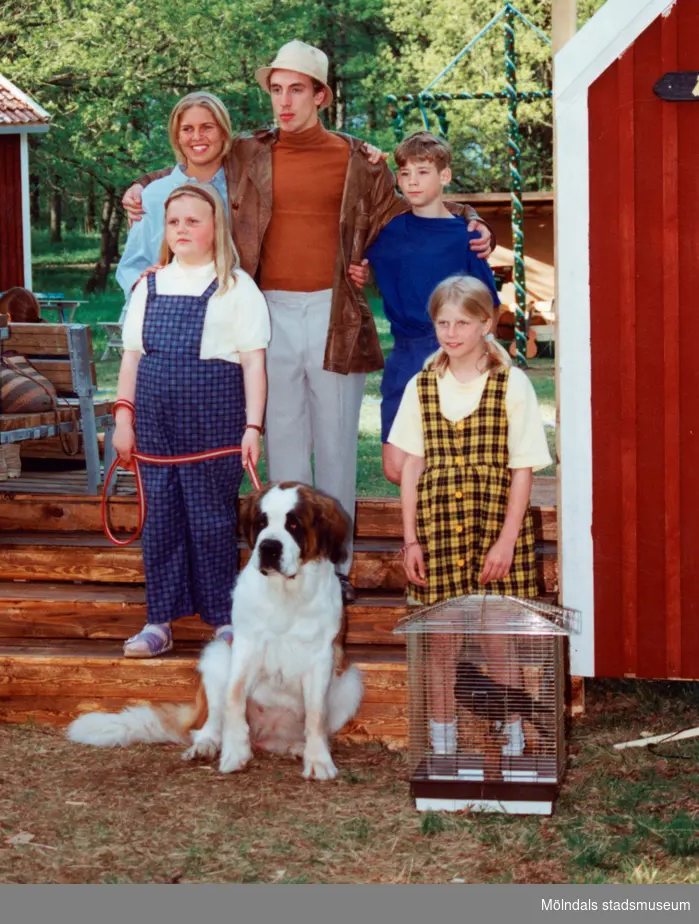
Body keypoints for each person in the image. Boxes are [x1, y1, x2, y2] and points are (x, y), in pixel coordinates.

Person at [122, 40, 493, 603]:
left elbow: (410, 205)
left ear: (321, 94)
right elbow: (197, 158)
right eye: (275, 89)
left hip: (334, 315)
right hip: (265, 312)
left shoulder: (355, 159)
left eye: (297, 89)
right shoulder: (250, 152)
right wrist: (146, 186)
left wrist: (469, 216)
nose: (284, 101)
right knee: (287, 451)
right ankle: (291, 568)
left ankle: (336, 574)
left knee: (338, 448)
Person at [390, 274, 551, 756]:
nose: (452, 332)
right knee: (441, 643)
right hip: (437, 533)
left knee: (498, 639)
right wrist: (410, 539)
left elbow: (522, 470)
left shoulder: (511, 383)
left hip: (493, 529)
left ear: (487, 323)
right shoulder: (422, 385)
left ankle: (513, 734)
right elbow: (411, 466)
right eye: (443, 322)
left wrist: (506, 542)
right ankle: (441, 743)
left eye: (463, 322)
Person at [113, 184, 270, 657]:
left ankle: (225, 619)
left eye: (193, 221)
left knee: (211, 523)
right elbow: (131, 358)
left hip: (215, 423)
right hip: (156, 426)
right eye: (174, 221)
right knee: (160, 520)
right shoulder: (149, 285)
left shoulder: (237, 288)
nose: (182, 229)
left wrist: (252, 427)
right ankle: (158, 620)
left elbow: (254, 364)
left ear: (215, 227)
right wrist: (125, 418)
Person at [350, 131, 500, 487]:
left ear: (444, 176)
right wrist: (365, 272)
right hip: (406, 358)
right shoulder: (387, 232)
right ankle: (414, 538)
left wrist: (476, 358)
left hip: (456, 359)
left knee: (457, 466)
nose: (412, 182)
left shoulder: (466, 236)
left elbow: (491, 308)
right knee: (397, 468)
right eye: (405, 174)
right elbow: (368, 265)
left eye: (423, 172)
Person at [116, 92, 233, 302]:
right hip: (162, 313)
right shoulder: (153, 195)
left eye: (207, 127)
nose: (197, 137)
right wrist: (141, 283)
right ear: (176, 137)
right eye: (187, 129)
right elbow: (131, 266)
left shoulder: (239, 192)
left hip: (223, 313)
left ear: (223, 132)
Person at [0, 286, 44, 482]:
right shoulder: (50, 333)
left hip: (20, 398)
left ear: (7, 317)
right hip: (51, 396)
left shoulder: (6, 341)